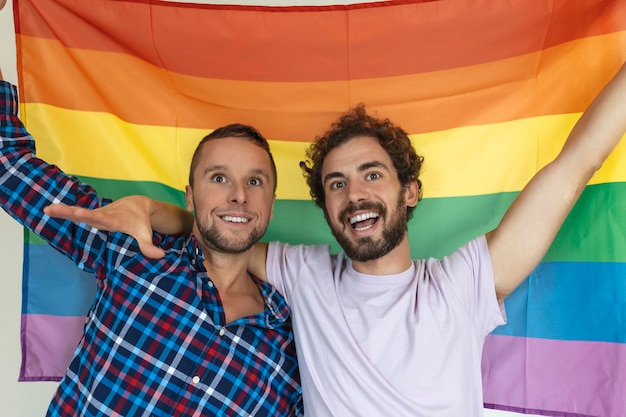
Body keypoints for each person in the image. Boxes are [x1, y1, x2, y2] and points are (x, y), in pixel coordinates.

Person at [46, 60, 626, 417]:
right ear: (326, 208)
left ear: (410, 191)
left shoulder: (462, 283)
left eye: (373, 175)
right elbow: (223, 228)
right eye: (336, 184)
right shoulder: (304, 276)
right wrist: (155, 210)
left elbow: (575, 166)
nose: (355, 194)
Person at [0, 69, 302, 416]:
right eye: (219, 178)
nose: (238, 195)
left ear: (271, 206)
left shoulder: (292, 344)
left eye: (255, 181)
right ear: (190, 198)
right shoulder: (129, 249)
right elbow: (8, 164)